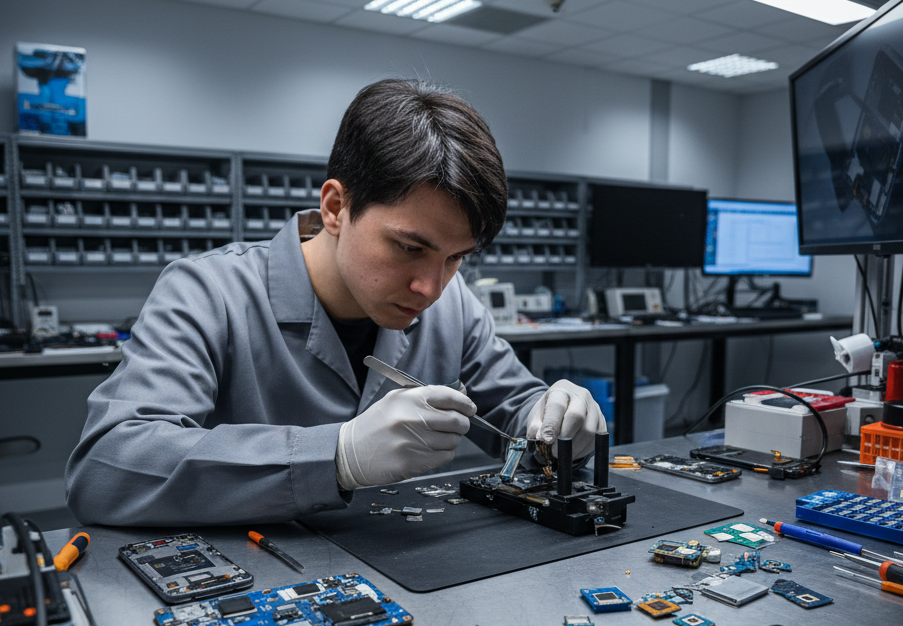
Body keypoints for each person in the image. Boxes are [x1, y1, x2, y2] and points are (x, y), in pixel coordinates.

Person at [65, 79, 606, 526]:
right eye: (410, 248)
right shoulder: (208, 291)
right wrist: (338, 454)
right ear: (334, 207)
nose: (431, 288)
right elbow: (108, 469)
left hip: (409, 580)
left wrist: (555, 419)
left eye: (456, 257)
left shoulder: (452, 304)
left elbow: (515, 411)